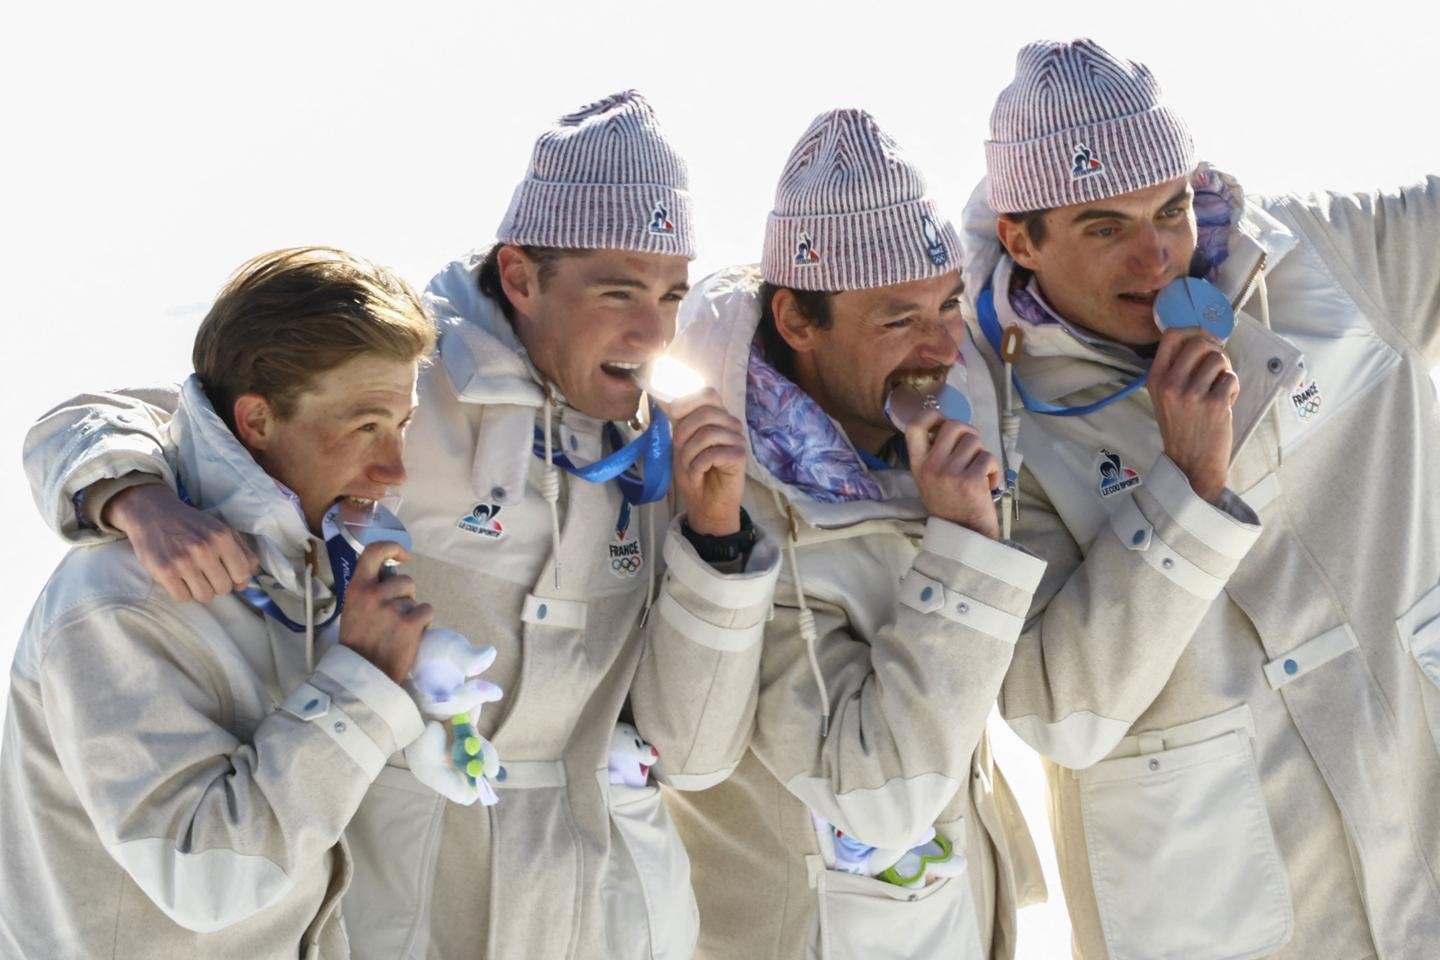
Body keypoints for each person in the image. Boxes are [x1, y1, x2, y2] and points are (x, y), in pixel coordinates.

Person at [19, 91, 779, 959]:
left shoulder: (662, 440)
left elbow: (695, 749)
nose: (654, 332)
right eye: (619, 292)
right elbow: (178, 422)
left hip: (595, 906)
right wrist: (129, 495)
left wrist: (718, 543)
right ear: (523, 277)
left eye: (674, 294)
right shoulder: (404, 371)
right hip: (404, 903)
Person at [964, 38, 1440, 958]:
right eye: (1105, 227)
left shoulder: (1331, 264)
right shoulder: (995, 421)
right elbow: (1059, 714)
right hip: (1226, 912)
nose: (1157, 257)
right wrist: (1185, 490)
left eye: (1171, 207)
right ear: (1022, 239)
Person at [663, 108, 1047, 960]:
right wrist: (967, 549)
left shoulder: (937, 448)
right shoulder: (736, 502)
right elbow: (880, 798)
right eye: (899, 317)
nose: (943, 346)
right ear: (798, 322)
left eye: (948, 305)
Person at [0, 247, 438, 958]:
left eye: (403, 425)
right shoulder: (120, 605)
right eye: (365, 427)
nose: (395, 471)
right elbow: (210, 879)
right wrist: (360, 681)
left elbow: (158, 417)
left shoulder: (310, 555)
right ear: (257, 422)